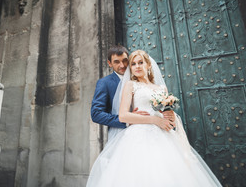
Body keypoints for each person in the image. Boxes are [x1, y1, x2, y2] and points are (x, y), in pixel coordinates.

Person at [86, 50, 222, 187]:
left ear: (149, 65)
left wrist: (171, 117)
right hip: (138, 135)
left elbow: (167, 114)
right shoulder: (130, 85)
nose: (137, 66)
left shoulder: (161, 88)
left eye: (140, 63)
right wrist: (154, 120)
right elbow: (122, 116)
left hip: (164, 135)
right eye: (133, 64)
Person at [91, 45, 174, 141]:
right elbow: (96, 114)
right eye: (117, 62)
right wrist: (129, 120)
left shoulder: (145, 80)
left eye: (125, 61)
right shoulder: (105, 83)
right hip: (123, 133)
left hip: (157, 131)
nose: (122, 65)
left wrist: (169, 114)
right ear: (110, 63)